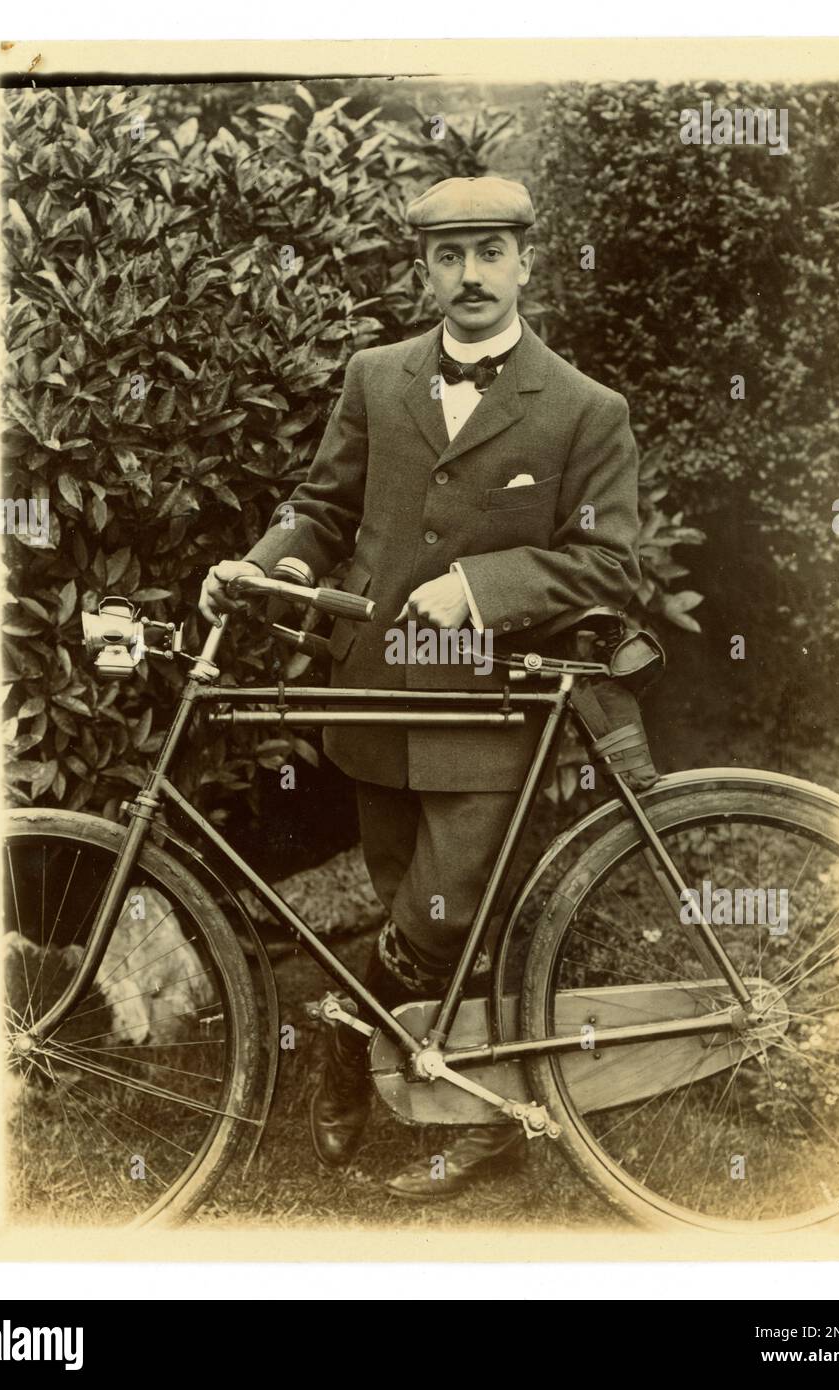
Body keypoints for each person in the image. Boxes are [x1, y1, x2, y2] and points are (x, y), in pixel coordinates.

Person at [200, 175, 641, 1198]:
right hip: (378, 695)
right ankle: (467, 1104)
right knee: (410, 898)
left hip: (488, 708)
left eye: (491, 252)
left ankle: (347, 1040)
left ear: (526, 263)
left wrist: (483, 586)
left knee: (446, 912)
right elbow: (321, 505)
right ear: (426, 270)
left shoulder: (584, 409)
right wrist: (275, 563)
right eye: (450, 256)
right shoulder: (377, 374)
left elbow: (613, 566)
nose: (471, 275)